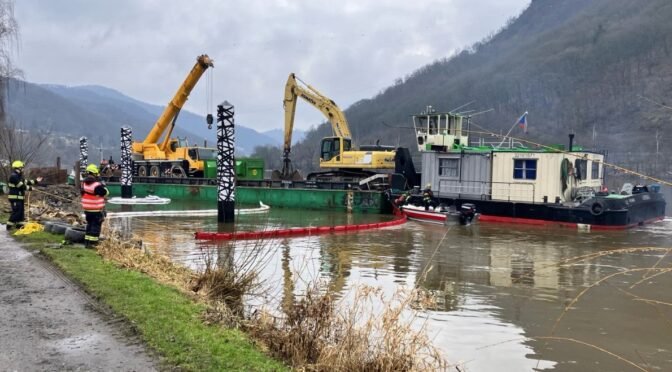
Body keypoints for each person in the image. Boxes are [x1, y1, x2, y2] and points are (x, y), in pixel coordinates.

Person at [6, 160, 42, 230]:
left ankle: (19, 226)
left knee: (21, 213)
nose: (23, 169)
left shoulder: (19, 177)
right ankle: (9, 226)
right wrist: (31, 188)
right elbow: (21, 186)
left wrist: (36, 181)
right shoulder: (13, 177)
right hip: (15, 198)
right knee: (16, 212)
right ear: (18, 168)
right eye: (22, 168)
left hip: (20, 198)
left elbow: (27, 182)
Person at [80, 164, 109, 248]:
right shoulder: (96, 185)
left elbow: (83, 193)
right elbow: (105, 193)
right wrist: (103, 186)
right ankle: (93, 244)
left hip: (87, 209)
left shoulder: (83, 184)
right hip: (96, 209)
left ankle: (87, 242)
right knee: (96, 227)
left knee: (89, 225)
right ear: (95, 173)